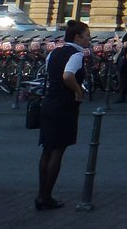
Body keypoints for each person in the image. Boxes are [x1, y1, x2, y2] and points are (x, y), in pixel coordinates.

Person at [36, 19, 90, 209]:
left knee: (47, 149)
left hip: (48, 103)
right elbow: (68, 75)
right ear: (77, 37)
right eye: (87, 36)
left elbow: (50, 75)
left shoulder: (54, 52)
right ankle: (46, 197)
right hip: (64, 105)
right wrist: (78, 90)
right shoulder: (76, 54)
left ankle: (41, 194)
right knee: (58, 150)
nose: (89, 40)